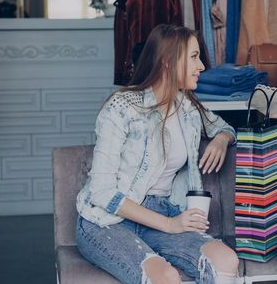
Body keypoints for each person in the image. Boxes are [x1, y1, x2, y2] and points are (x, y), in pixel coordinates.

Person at [75, 24, 239, 284]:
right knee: (165, 277)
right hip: (107, 219)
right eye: (194, 57)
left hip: (162, 210)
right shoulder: (121, 108)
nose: (202, 67)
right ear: (168, 62)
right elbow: (102, 192)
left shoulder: (188, 108)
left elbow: (224, 127)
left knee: (225, 260)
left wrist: (222, 139)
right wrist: (170, 225)